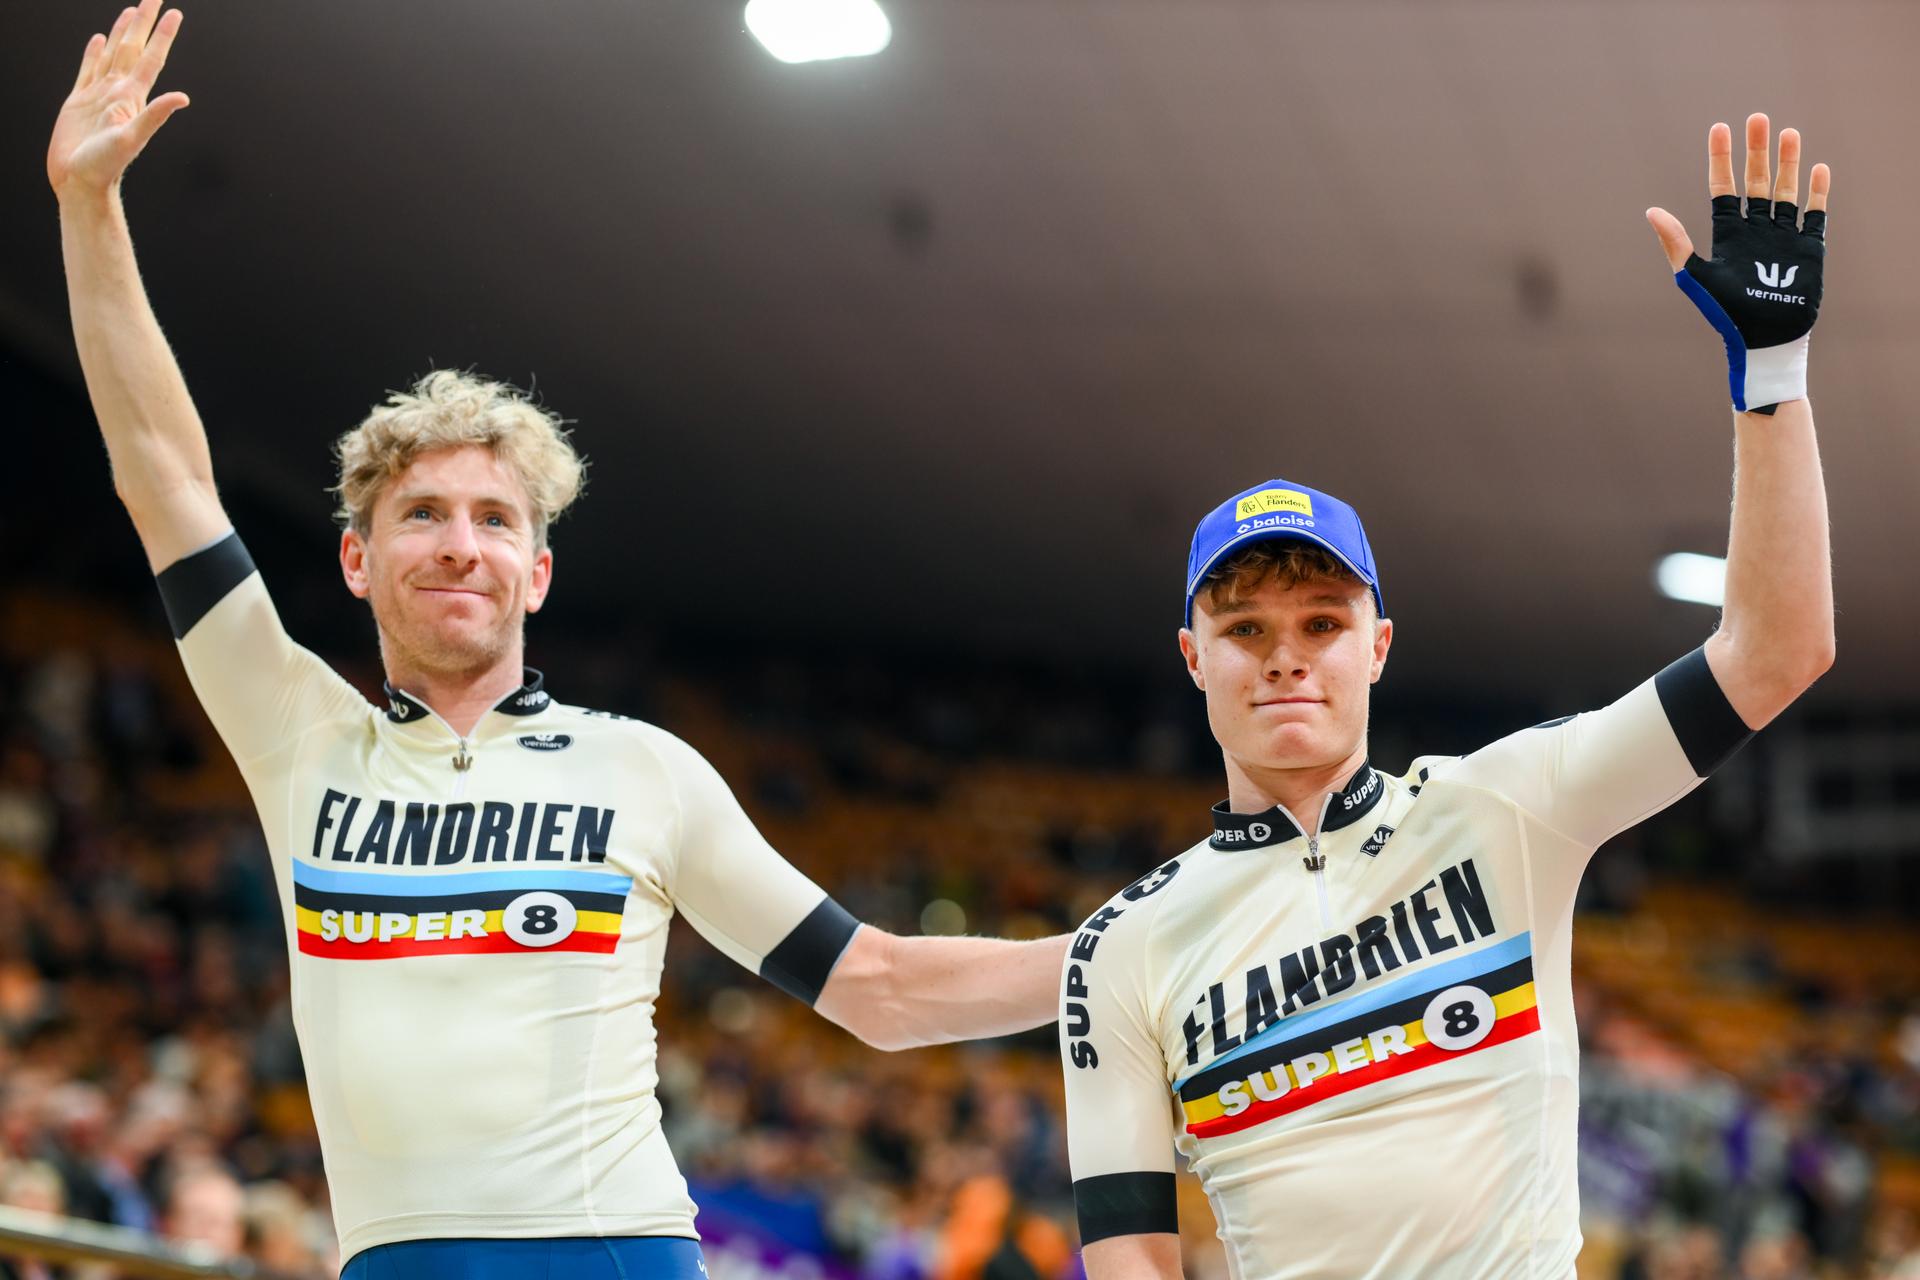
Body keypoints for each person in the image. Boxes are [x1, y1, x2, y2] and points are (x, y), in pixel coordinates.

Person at [46, 5, 1069, 1276]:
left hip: (618, 1253)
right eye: (420, 514)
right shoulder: (297, 729)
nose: (459, 543)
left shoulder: (648, 770)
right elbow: (163, 477)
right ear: (359, 560)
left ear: (539, 567)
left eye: (493, 518)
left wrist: (1113, 960)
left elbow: (878, 985)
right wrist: (88, 209)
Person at [1058, 113, 1834, 1279]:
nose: (1286, 656)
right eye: (1246, 629)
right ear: (1191, 656)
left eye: (1322, 624)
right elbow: (1129, 1258)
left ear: (1378, 644)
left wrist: (1771, 379)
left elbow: (1776, 651)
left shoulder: (1508, 804)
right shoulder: (1120, 948)